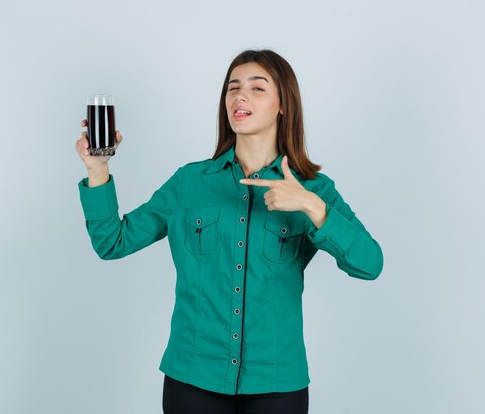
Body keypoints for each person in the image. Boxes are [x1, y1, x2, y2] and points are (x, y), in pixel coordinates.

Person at [75, 49, 383, 414]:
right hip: (192, 378)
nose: (240, 96)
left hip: (277, 384)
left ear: (283, 104)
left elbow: (370, 264)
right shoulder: (190, 183)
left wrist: (311, 206)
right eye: (233, 87)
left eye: (257, 88)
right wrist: (98, 170)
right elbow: (113, 242)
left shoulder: (314, 190)